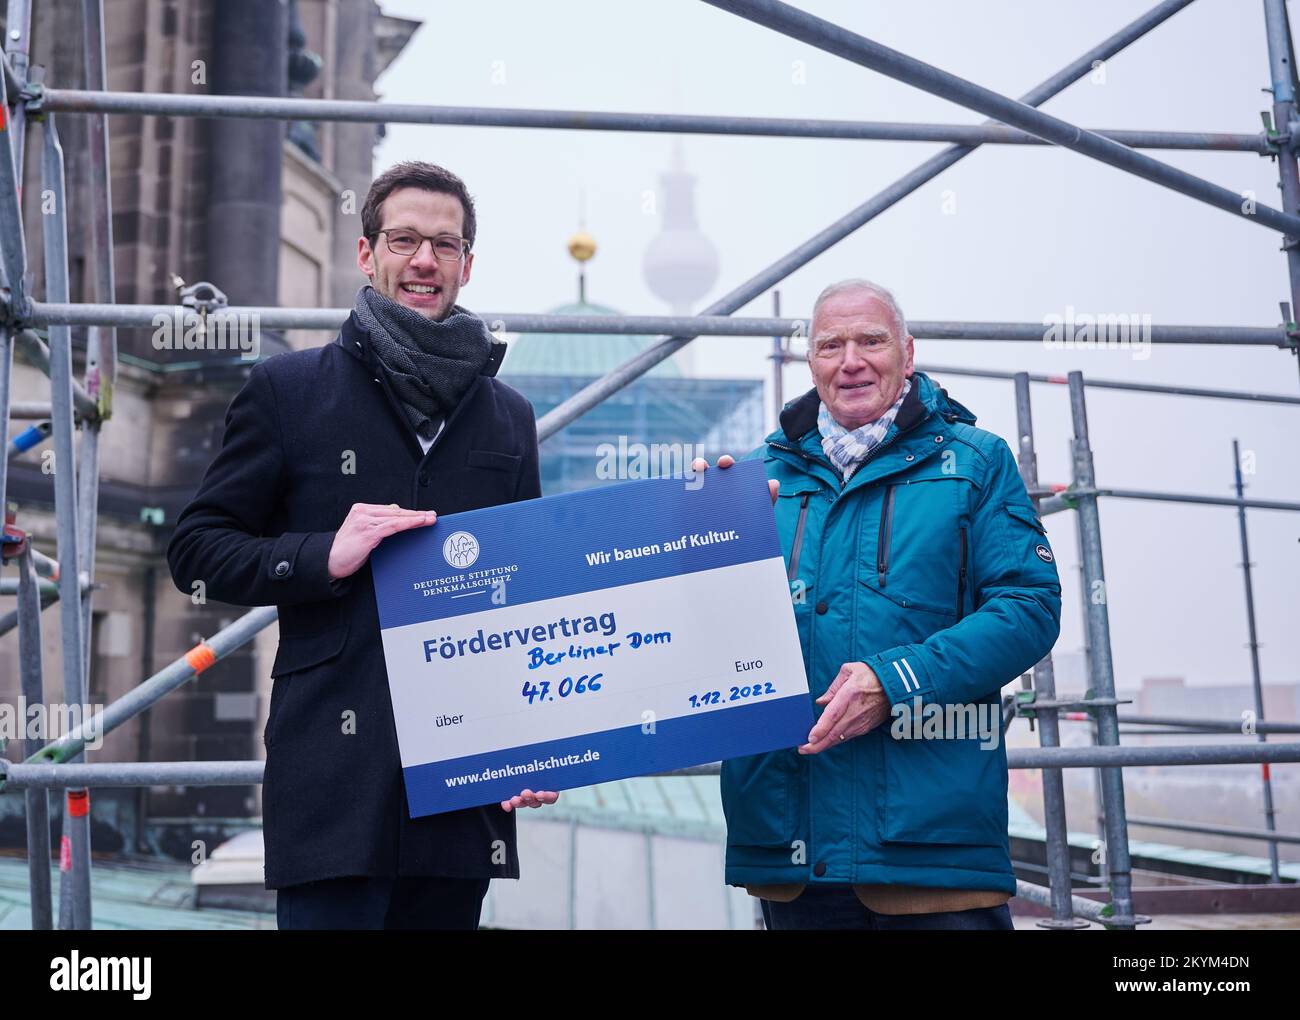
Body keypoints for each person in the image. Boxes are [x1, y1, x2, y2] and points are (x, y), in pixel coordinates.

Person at [167, 161, 557, 930]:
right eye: (405, 239)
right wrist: (322, 556)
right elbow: (196, 549)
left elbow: (530, 597)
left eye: (445, 246)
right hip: (331, 791)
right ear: (366, 252)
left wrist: (534, 740)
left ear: (467, 265)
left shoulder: (508, 417)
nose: (424, 261)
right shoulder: (287, 390)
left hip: (463, 792)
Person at [714, 279, 1062, 930]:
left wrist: (898, 680)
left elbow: (1029, 606)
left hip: (931, 854)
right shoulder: (754, 477)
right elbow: (698, 640)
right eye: (829, 345)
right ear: (808, 361)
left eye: (870, 340)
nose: (850, 360)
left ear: (907, 350)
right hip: (793, 848)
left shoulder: (974, 461)